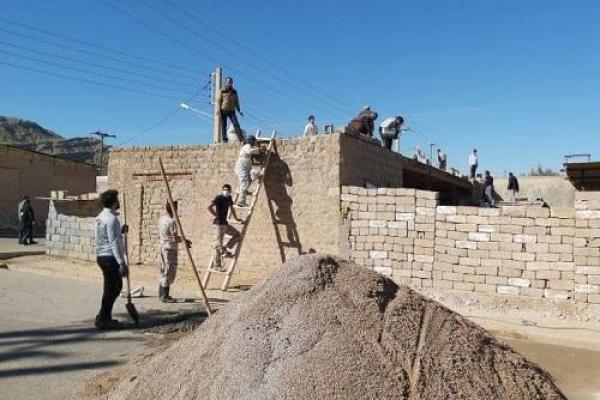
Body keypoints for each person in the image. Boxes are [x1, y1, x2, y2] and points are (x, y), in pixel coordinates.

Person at [94, 189, 128, 330]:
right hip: (110, 257)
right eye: (117, 200)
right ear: (114, 203)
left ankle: (103, 316)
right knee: (114, 288)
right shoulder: (112, 220)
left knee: (110, 287)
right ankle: (103, 318)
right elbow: (113, 242)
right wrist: (121, 262)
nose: (119, 202)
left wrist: (121, 232)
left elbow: (106, 237)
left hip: (101, 256)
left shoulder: (100, 217)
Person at [208, 184, 243, 271]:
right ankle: (217, 265)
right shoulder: (218, 198)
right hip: (219, 224)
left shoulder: (229, 198)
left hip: (225, 224)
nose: (225, 191)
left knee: (237, 235)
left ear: (230, 191)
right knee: (218, 245)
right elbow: (209, 207)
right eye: (224, 189)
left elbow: (232, 209)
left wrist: (236, 218)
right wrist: (216, 215)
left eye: (227, 189)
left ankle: (225, 249)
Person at [157, 201, 182, 303]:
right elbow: (175, 238)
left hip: (162, 247)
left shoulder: (161, 219)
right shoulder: (172, 222)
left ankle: (161, 294)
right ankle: (164, 296)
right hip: (169, 248)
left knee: (163, 270)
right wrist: (184, 239)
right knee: (169, 271)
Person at [235, 135, 261, 207]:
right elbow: (249, 151)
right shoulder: (247, 146)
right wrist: (258, 149)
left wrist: (258, 150)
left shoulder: (248, 146)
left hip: (245, 168)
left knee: (252, 177)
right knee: (244, 183)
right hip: (242, 168)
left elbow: (253, 152)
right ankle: (241, 201)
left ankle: (243, 191)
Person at [217, 77, 244, 143]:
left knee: (236, 124)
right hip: (224, 109)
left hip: (232, 110)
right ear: (225, 82)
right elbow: (219, 101)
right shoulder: (222, 91)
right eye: (228, 81)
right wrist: (218, 110)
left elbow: (236, 101)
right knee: (224, 125)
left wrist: (239, 110)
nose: (229, 82)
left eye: (230, 81)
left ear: (232, 83)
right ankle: (225, 139)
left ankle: (241, 139)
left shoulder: (234, 92)